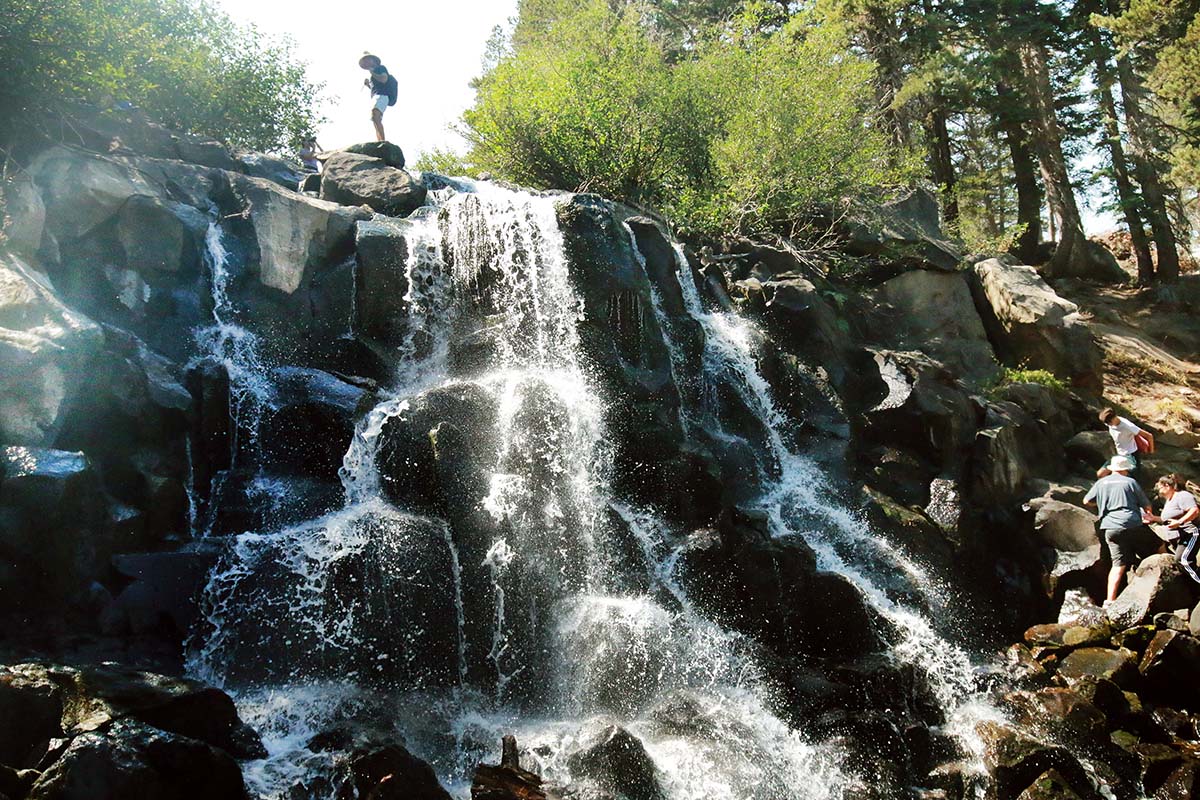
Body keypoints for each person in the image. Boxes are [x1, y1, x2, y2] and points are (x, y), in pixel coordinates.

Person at [1084, 455, 1157, 602]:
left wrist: (1101, 504)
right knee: (1158, 544)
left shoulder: (1101, 482)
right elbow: (1147, 505)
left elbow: (1086, 501)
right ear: (1125, 469)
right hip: (1132, 524)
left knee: (1118, 565)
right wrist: (1149, 515)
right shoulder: (1130, 482)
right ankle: (1173, 574)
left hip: (1110, 528)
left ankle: (1109, 601)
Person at [1146, 473, 1200, 584]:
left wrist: (1180, 522)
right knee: (1182, 562)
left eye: (1159, 486)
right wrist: (1153, 518)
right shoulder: (1169, 500)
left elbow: (1194, 511)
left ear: (1167, 485)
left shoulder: (1182, 495)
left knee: (1184, 561)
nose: (1158, 489)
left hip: (1190, 533)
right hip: (1177, 538)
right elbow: (1167, 519)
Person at [1096, 408, 1154, 477]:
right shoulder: (1109, 424)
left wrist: (1151, 451)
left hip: (1130, 455)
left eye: (1110, 422)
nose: (1109, 425)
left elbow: (1149, 436)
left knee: (1126, 477)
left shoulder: (1128, 426)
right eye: (1107, 423)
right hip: (1119, 454)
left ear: (1115, 417)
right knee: (1100, 474)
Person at [359, 52, 398, 142]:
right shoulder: (373, 75)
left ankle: (382, 141)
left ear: (373, 60)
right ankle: (380, 140)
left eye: (367, 60)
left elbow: (384, 79)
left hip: (383, 96)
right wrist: (368, 85)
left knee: (375, 114)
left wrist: (372, 73)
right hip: (378, 96)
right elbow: (376, 89)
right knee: (375, 117)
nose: (366, 63)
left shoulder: (381, 68)